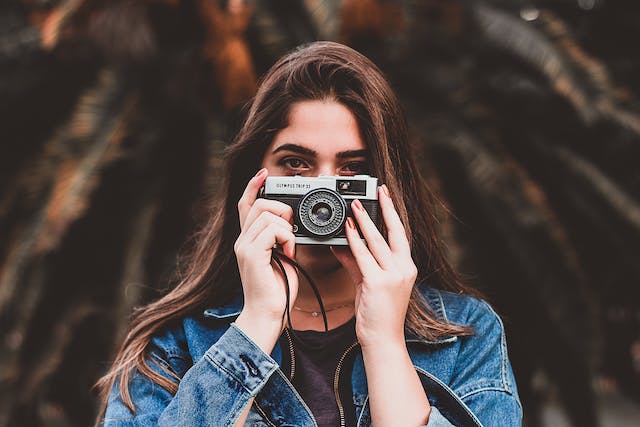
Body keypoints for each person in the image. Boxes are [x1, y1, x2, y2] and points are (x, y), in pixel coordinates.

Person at [96, 41, 522, 427]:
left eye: (351, 169)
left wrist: (385, 341)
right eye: (296, 164)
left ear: (387, 185)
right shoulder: (174, 343)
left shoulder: (466, 335)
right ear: (254, 178)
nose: (323, 195)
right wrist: (257, 324)